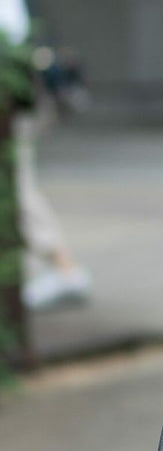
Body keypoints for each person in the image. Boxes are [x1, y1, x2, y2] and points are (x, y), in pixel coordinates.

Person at [0, 0, 91, 311]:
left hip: (13, 104)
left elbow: (12, 46)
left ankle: (63, 267)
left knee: (16, 186)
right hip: (20, 101)